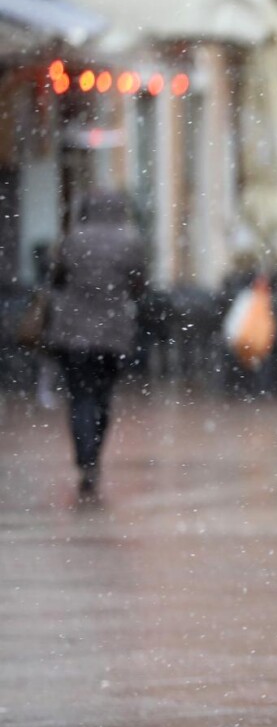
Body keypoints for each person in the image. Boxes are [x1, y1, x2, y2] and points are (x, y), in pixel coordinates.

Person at [44, 191, 147, 499]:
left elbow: (56, 279)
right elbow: (139, 283)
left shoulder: (73, 239)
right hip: (113, 334)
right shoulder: (130, 241)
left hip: (72, 330)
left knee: (79, 396)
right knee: (102, 396)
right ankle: (93, 452)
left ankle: (85, 456)